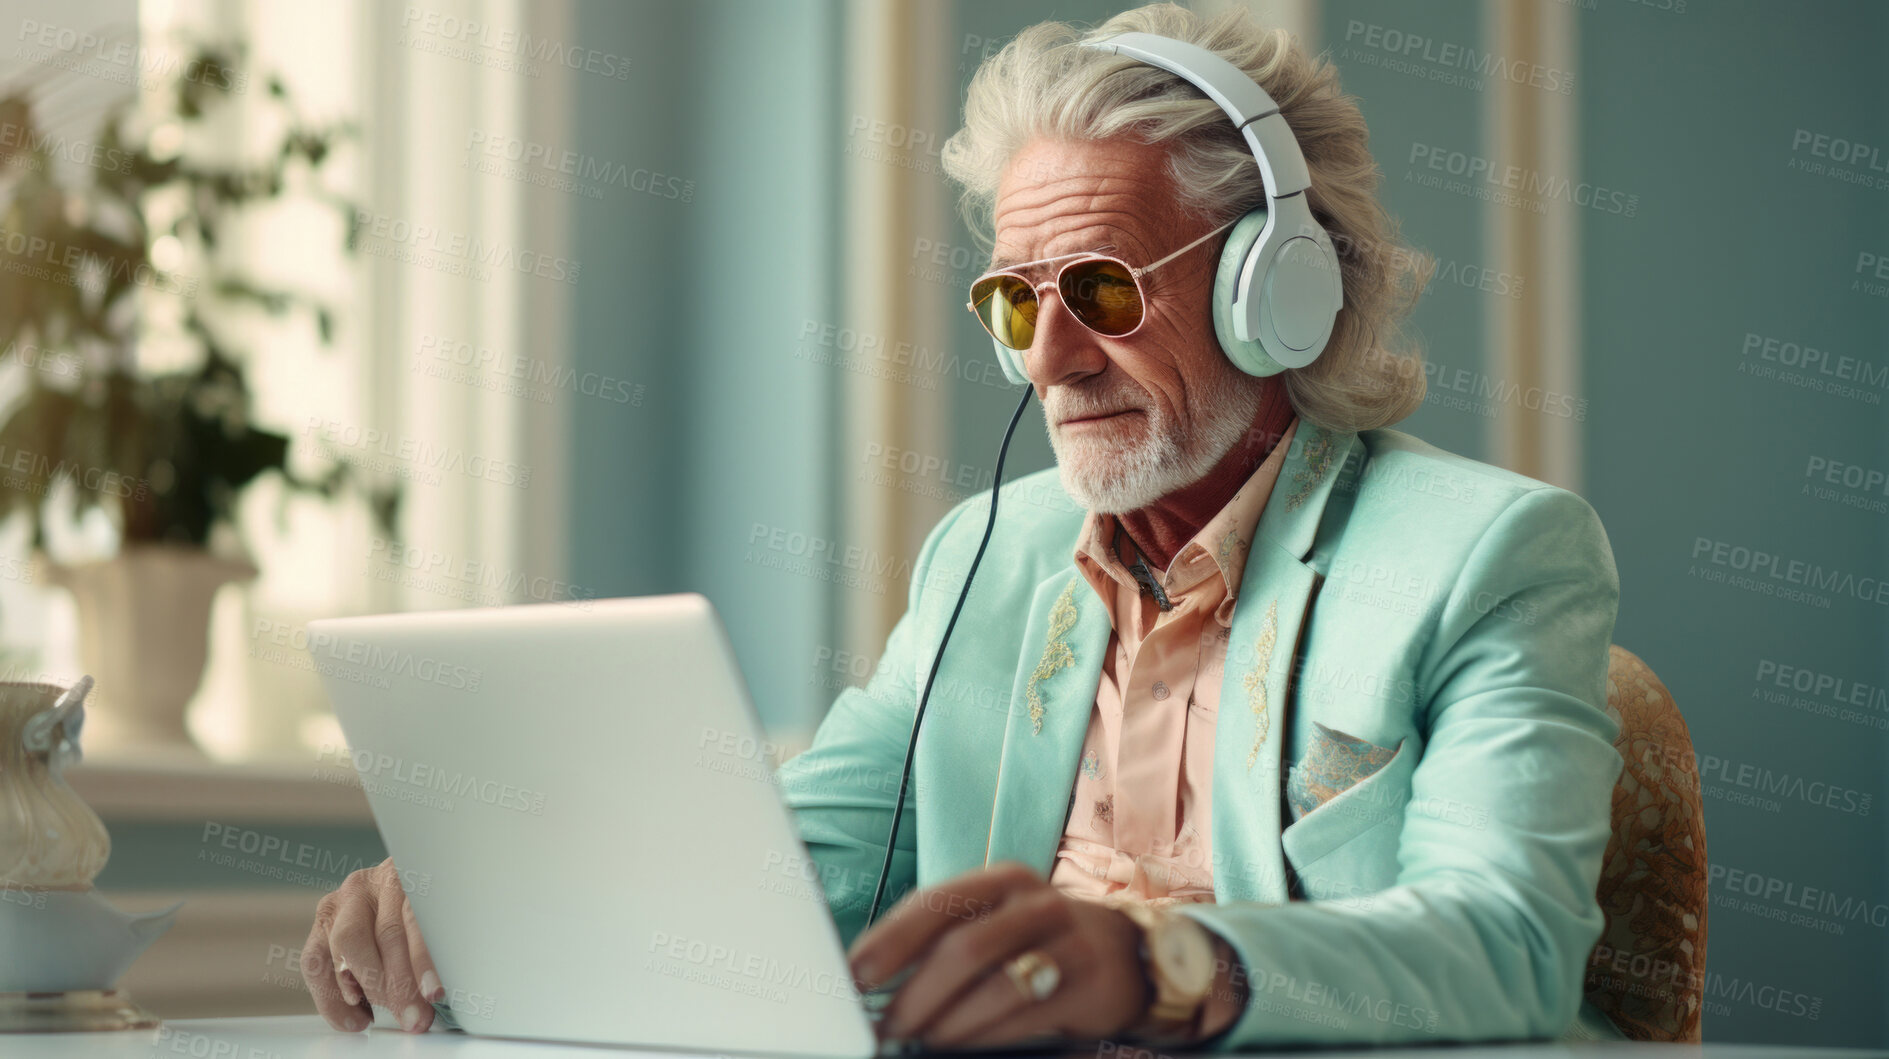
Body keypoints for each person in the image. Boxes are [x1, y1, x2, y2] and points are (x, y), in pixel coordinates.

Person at [302, 3, 1626, 1048]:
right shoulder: (982, 556)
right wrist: (489, 906)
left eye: (1101, 291)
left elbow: (1500, 941)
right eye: (1011, 300)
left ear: (1273, 294)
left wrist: (1160, 966)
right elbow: (786, 871)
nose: (1046, 360)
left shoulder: (1487, 554)